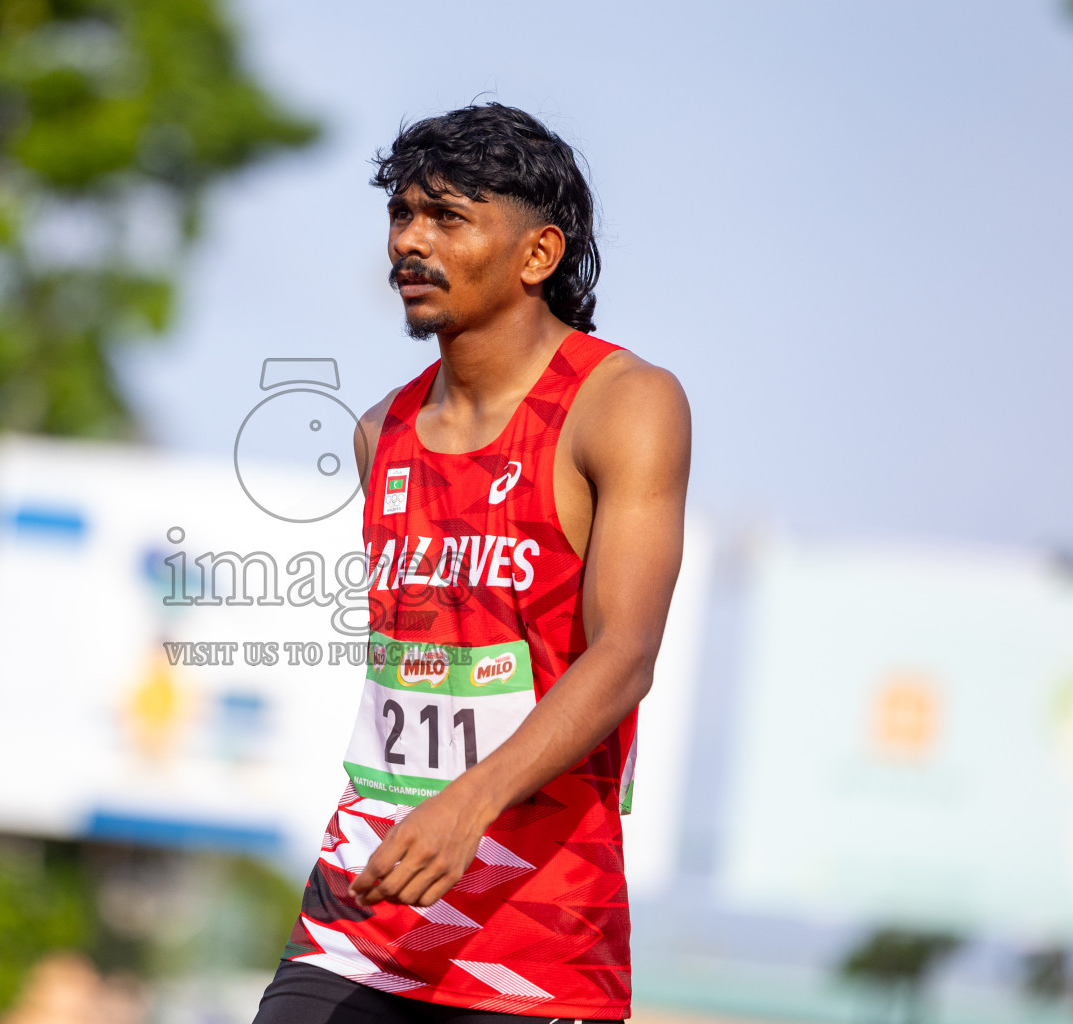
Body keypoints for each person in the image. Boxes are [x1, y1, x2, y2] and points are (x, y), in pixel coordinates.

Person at [253, 104, 691, 1023]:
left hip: (535, 940)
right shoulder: (381, 431)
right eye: (401, 214)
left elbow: (626, 656)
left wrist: (470, 803)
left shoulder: (625, 406)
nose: (408, 243)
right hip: (366, 904)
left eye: (447, 218)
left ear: (538, 254)